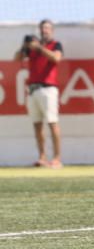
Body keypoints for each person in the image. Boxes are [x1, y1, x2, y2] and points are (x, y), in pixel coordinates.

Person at [13, 19, 64, 168]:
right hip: (33, 89)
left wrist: (39, 48)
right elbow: (16, 58)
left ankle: (56, 158)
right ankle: (42, 157)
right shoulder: (32, 48)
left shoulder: (55, 45)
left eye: (47, 28)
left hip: (48, 89)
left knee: (52, 122)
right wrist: (24, 46)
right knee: (37, 125)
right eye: (42, 28)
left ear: (52, 31)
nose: (45, 31)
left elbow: (56, 58)